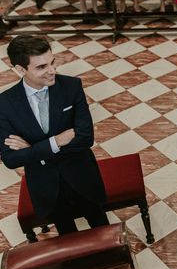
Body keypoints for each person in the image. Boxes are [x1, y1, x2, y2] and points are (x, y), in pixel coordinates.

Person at [0, 35, 108, 236]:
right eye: (41, 67)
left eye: (52, 62)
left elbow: (85, 138)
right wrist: (55, 142)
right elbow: (10, 159)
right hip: (46, 186)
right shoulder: (5, 104)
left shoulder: (71, 87)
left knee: (102, 228)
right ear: (20, 69)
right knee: (67, 237)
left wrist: (32, 150)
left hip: (82, 176)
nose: (52, 71)